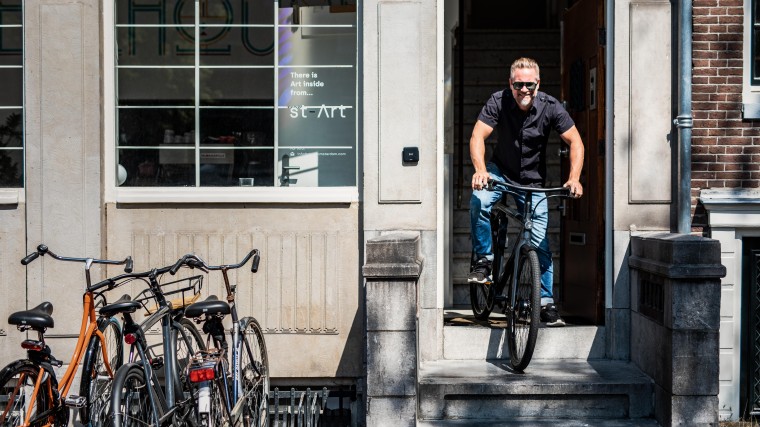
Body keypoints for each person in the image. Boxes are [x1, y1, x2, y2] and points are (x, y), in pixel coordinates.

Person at [468, 57, 584, 327]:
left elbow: (575, 141)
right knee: (479, 200)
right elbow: (477, 136)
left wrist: (574, 178)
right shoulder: (498, 101)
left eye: (529, 84)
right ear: (510, 84)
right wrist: (480, 169)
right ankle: (485, 260)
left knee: (540, 241)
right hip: (499, 172)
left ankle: (544, 301)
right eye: (518, 84)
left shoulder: (551, 106)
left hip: (532, 181)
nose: (524, 90)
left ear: (537, 83)